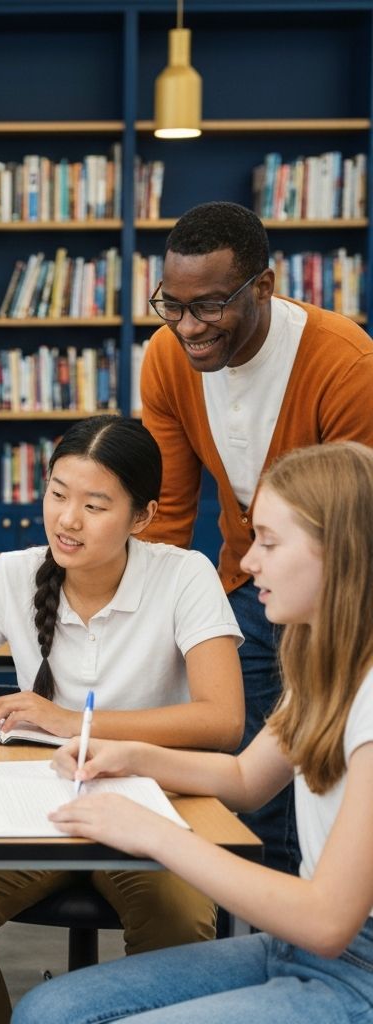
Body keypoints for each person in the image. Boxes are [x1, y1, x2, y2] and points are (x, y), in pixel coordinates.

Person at [0, 415, 245, 1024]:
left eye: (94, 505)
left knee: (180, 915)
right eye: (57, 494)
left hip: (153, 804)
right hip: (38, 807)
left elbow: (222, 722)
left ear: (143, 516)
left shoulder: (185, 575)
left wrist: (69, 721)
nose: (67, 519)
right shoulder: (13, 573)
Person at [12, 440, 373, 1024]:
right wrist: (129, 755)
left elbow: (328, 921)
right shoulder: (327, 669)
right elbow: (245, 778)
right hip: (301, 949)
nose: (249, 561)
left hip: (355, 968)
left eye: (271, 544)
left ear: (344, 556)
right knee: (47, 1009)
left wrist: (154, 833)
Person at [139, 200, 373, 874]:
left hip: (342, 605)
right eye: (172, 305)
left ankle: (313, 924)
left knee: (323, 773)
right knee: (251, 785)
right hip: (246, 587)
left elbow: (355, 529)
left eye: (209, 307)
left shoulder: (342, 362)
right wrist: (166, 624)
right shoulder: (167, 357)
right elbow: (169, 512)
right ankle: (263, 936)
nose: (189, 327)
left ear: (263, 287)